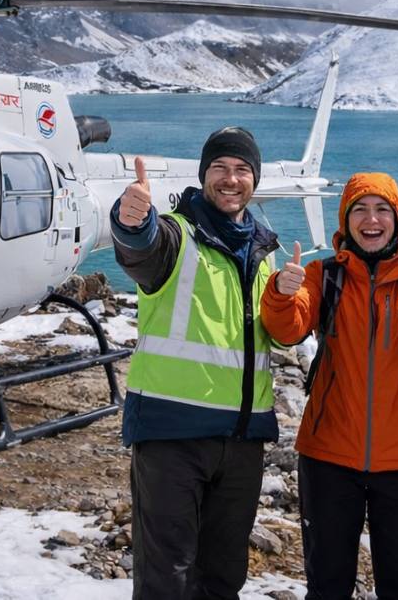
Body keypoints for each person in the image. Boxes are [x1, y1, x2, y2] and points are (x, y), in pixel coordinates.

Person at [261, 172, 398, 600]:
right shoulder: (324, 274)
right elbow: (288, 329)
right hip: (328, 456)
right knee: (327, 586)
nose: (371, 219)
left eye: (382, 210)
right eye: (360, 209)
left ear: (397, 219)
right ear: (345, 219)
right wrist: (282, 294)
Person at [111, 126, 280, 600]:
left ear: (255, 179)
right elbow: (143, 249)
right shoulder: (177, 235)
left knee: (223, 576)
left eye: (242, 170)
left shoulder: (263, 250)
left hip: (244, 440)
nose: (231, 179)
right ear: (204, 175)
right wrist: (131, 223)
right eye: (220, 169)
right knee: (168, 577)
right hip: (173, 434)